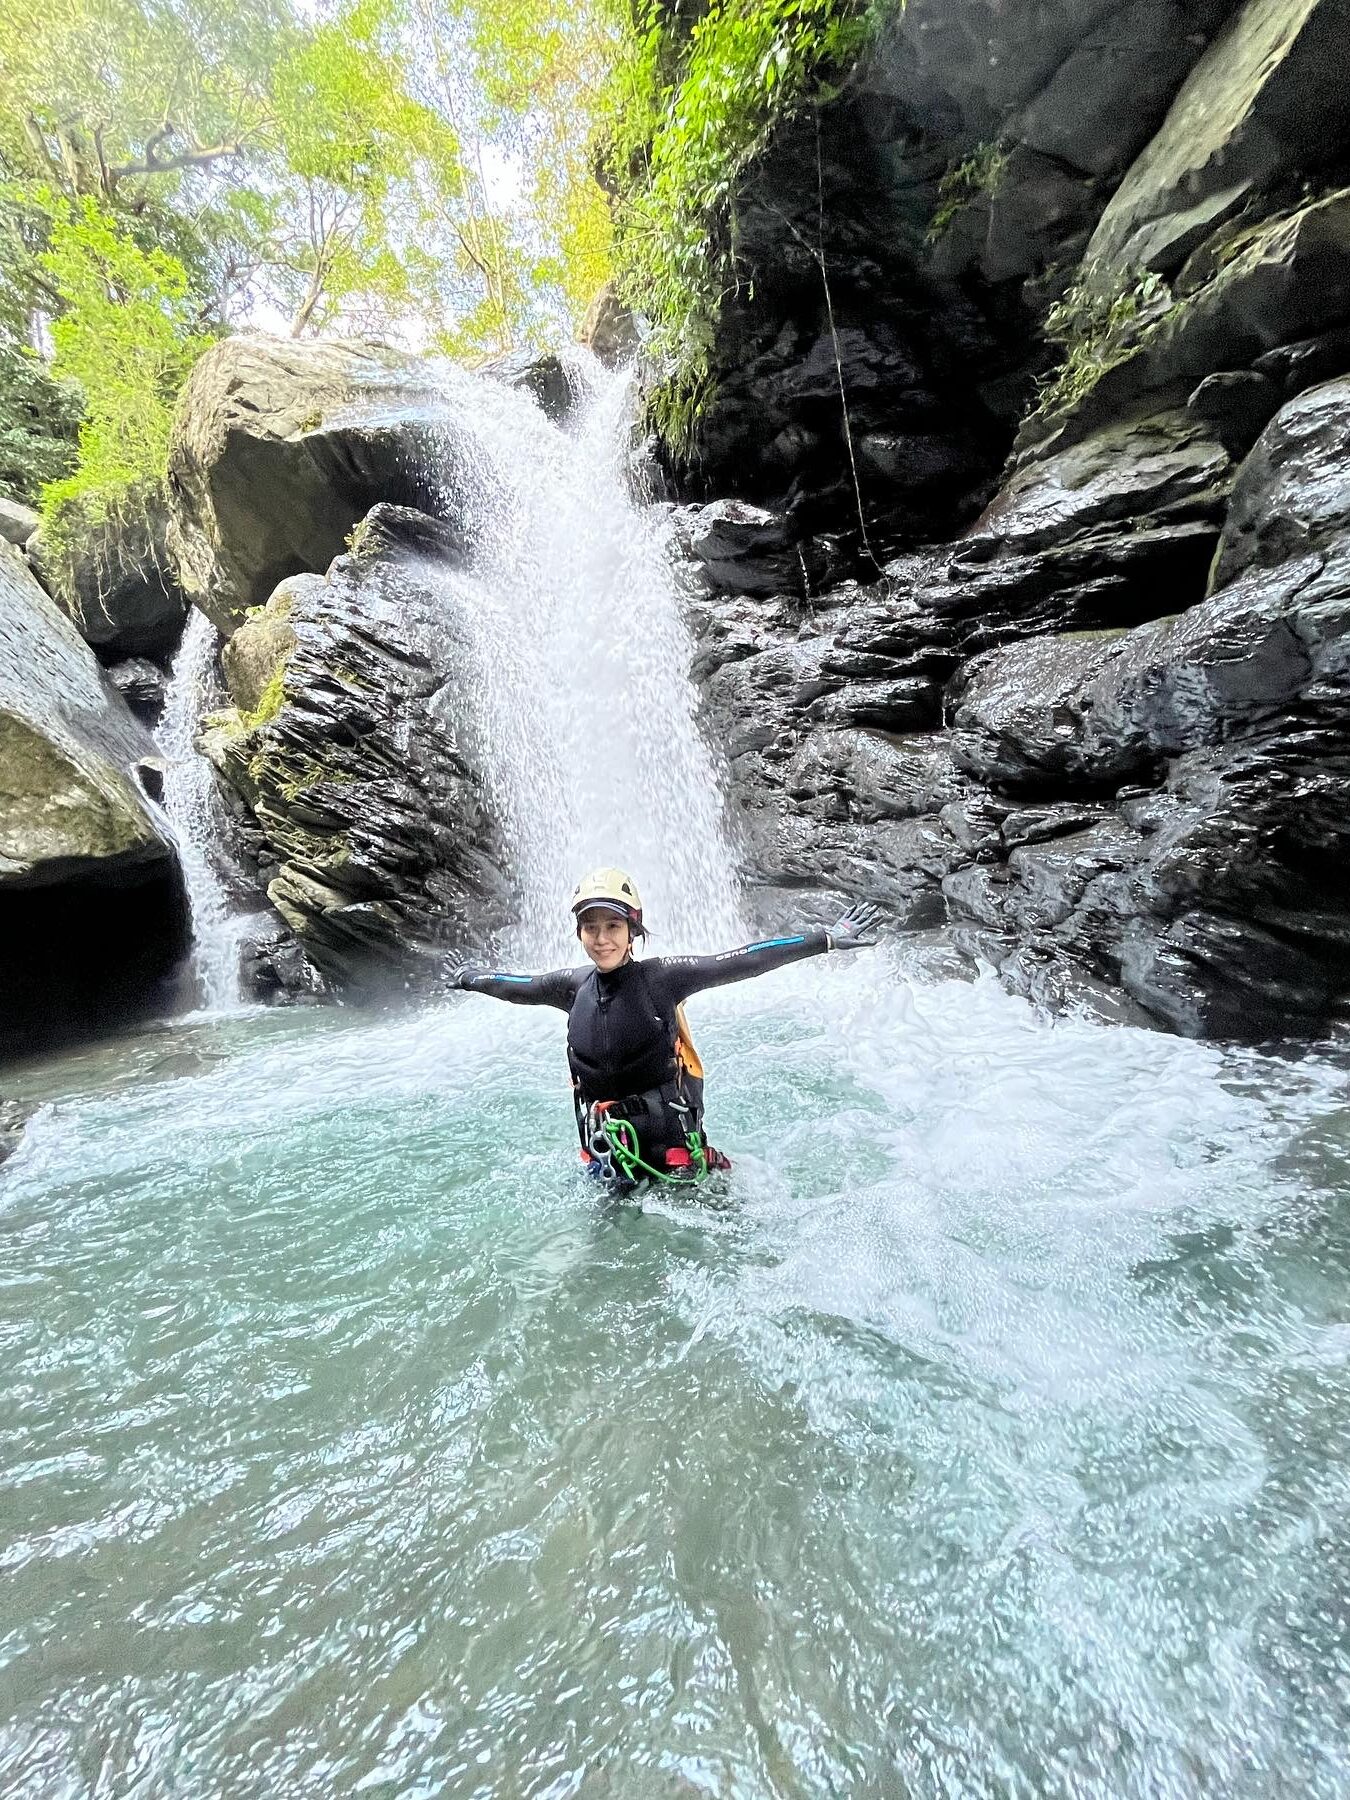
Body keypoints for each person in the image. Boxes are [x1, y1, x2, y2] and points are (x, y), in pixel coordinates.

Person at [452, 867, 880, 1186]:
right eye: (591, 928)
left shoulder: (662, 979)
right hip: (611, 1155)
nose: (602, 939)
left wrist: (822, 939)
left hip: (671, 1149)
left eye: (613, 927)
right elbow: (517, 986)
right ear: (579, 932)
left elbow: (739, 961)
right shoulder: (572, 987)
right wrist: (471, 979)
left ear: (633, 930)